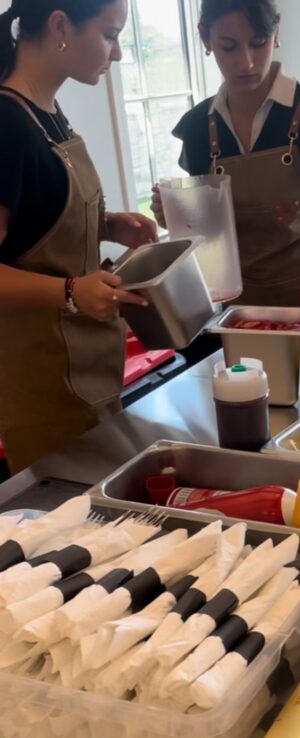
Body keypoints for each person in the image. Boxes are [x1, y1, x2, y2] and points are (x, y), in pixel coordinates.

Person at [152, 0, 300, 347]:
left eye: (258, 42)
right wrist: (176, 216)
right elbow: (207, 235)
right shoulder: (198, 129)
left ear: (276, 34)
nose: (246, 62)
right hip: (240, 316)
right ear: (205, 39)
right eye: (229, 46)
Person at [0, 0, 157, 475]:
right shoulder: (7, 127)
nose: (118, 55)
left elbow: (36, 220)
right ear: (60, 25)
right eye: (110, 36)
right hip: (43, 390)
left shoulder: (46, 113)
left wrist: (109, 225)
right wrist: (71, 293)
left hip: (89, 373)